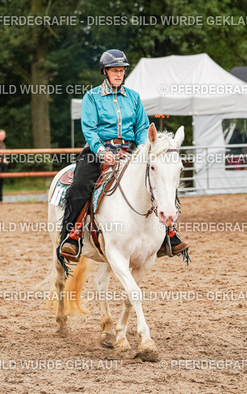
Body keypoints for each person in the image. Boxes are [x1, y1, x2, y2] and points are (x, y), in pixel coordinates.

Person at [58, 49, 189, 263]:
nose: (119, 74)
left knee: (159, 179)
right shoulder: (92, 97)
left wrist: (143, 147)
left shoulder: (134, 98)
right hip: (97, 151)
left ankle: (169, 233)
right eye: (114, 71)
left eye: (121, 70)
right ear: (105, 72)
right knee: (80, 186)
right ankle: (72, 236)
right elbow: (89, 129)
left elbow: (142, 127)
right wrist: (102, 151)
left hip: (130, 151)